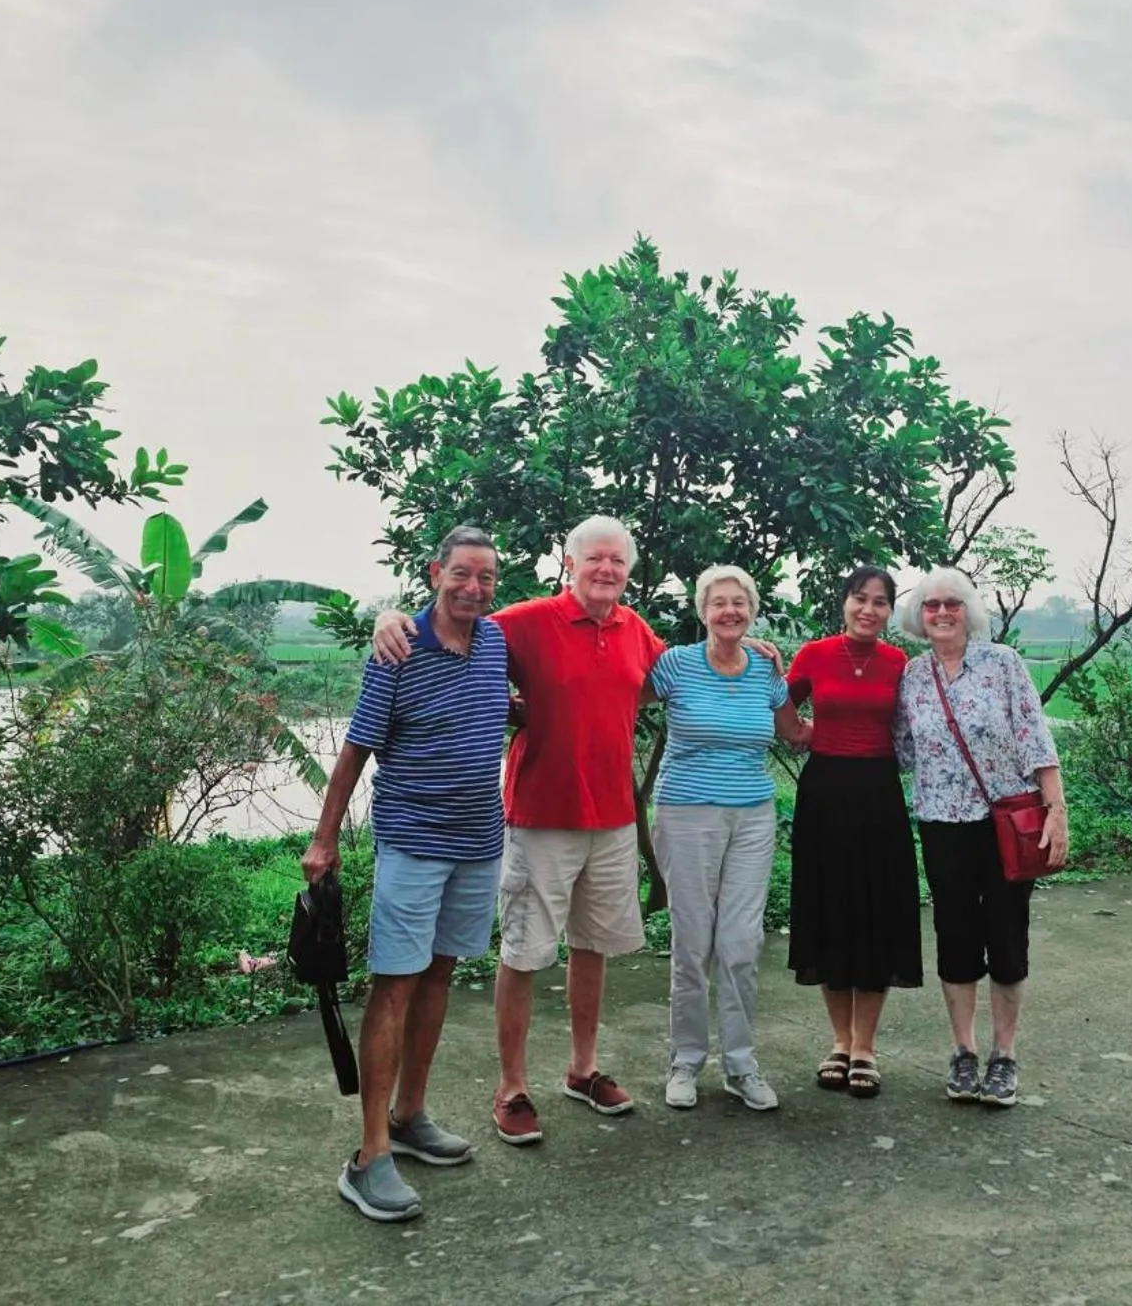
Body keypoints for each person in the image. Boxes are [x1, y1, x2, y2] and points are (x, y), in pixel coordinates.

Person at [373, 518, 777, 1142]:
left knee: (594, 947)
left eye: (617, 561)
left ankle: (582, 1069)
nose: (606, 570)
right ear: (570, 562)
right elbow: (453, 626)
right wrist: (390, 616)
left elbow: (670, 683)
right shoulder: (526, 622)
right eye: (595, 560)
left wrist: (762, 661)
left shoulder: (635, 630)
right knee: (525, 953)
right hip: (541, 817)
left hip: (613, 818)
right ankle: (512, 1086)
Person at [303, 526, 510, 1223]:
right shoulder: (398, 649)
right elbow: (357, 749)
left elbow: (499, 701)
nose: (474, 588)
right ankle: (369, 1157)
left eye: (486, 577)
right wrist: (325, 836)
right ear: (434, 573)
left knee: (441, 973)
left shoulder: (496, 642)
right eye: (461, 575)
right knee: (394, 984)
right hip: (414, 842)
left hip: (480, 841)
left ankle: (411, 1115)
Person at [893, 567, 1069, 1108]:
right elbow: (900, 750)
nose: (942, 612)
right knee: (955, 934)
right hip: (942, 823)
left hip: (1008, 820)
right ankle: (964, 1052)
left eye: (951, 603)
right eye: (931, 605)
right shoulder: (912, 677)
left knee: (1007, 934)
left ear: (968, 611)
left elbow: (1035, 736)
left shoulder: (1003, 665)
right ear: (918, 618)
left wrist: (1056, 807)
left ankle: (1005, 1055)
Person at [649, 565, 809, 1113]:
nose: (730, 612)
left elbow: (794, 732)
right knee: (692, 944)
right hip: (686, 814)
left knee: (741, 944)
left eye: (739, 603)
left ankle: (741, 1064)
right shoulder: (675, 664)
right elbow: (617, 704)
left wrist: (863, 717)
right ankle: (686, 1061)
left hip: (753, 818)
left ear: (753, 610)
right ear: (702, 611)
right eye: (719, 603)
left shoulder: (766, 670)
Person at [783, 565, 921, 1098]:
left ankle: (866, 1046)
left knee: (876, 914)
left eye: (880, 602)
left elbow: (909, 727)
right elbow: (782, 706)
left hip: (878, 795)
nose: (868, 609)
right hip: (824, 793)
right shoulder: (814, 655)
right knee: (830, 912)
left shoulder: (898, 663)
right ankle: (839, 1042)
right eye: (859, 599)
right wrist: (806, 733)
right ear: (843, 603)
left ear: (890, 611)